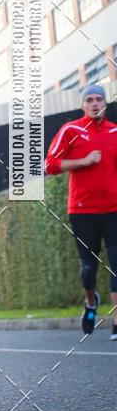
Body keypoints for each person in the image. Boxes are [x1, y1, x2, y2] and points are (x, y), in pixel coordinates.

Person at [45, 84, 117, 338]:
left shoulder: (115, 132)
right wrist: (83, 161)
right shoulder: (71, 130)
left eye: (99, 99)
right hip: (83, 210)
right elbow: (50, 164)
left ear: (105, 103)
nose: (95, 103)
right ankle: (90, 303)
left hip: (114, 210)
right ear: (83, 104)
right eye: (90, 99)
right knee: (89, 266)